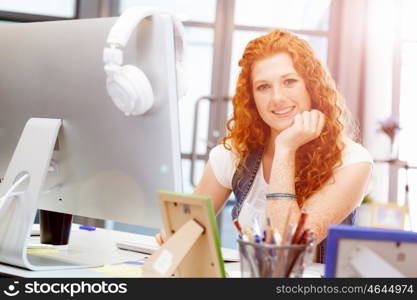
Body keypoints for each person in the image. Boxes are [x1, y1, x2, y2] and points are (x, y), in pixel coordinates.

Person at [156, 29, 373, 262]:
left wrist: (285, 149)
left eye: (289, 82)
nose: (277, 98)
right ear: (252, 98)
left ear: (312, 87)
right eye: (263, 87)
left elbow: (286, 248)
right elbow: (184, 233)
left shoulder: (352, 161)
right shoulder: (234, 156)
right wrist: (174, 238)